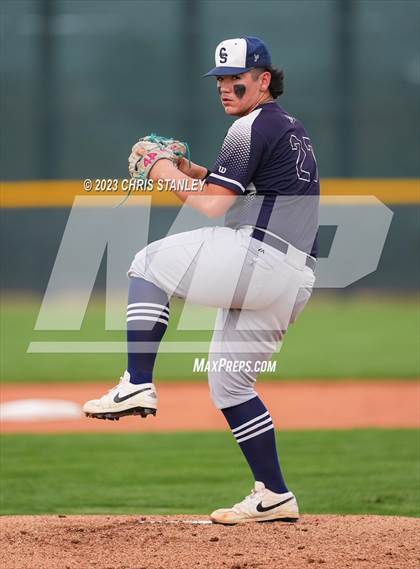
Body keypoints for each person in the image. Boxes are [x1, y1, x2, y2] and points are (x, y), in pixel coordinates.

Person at [83, 36, 319, 525]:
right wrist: (187, 169)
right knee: (231, 385)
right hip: (292, 276)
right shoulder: (284, 126)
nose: (225, 88)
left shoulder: (249, 126)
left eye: (237, 79)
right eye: (220, 80)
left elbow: (212, 205)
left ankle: (136, 383)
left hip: (259, 257)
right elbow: (236, 192)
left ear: (264, 80)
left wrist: (160, 168)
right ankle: (274, 494)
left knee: (147, 263)